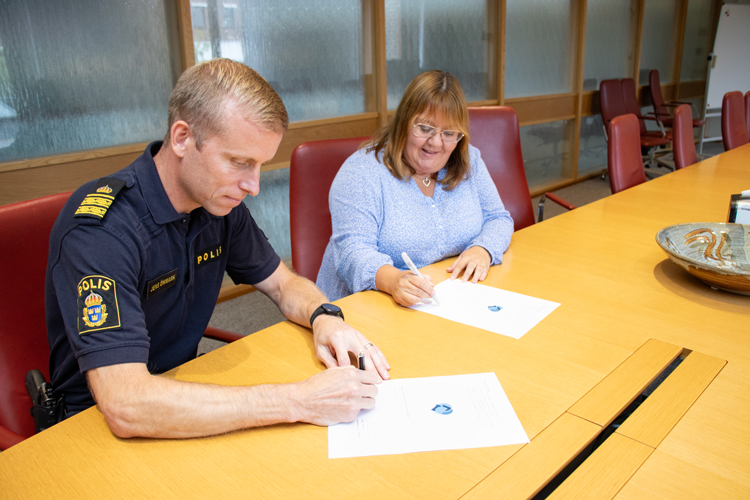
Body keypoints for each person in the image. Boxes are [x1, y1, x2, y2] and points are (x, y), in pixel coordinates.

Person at [45, 58, 390, 439]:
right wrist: (296, 401)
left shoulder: (216, 205)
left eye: (259, 165)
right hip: (93, 428)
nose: (253, 186)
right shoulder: (103, 231)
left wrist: (325, 317)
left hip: (183, 394)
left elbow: (282, 284)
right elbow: (127, 405)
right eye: (239, 162)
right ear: (181, 138)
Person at [316, 70, 514, 306]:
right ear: (403, 122)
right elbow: (351, 252)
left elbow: (498, 218)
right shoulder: (361, 172)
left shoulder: (470, 160)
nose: (436, 142)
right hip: (363, 308)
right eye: (425, 128)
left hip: (444, 301)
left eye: (449, 133)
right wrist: (393, 280)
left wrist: (483, 249)